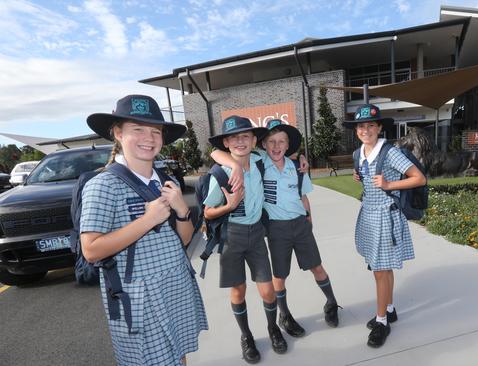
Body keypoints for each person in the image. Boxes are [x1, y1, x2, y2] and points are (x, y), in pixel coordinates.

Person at [80, 95, 208, 365]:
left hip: (175, 283)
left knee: (179, 354)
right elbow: (91, 250)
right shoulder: (103, 185)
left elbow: (182, 241)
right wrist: (148, 220)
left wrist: (182, 211)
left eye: (155, 131)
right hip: (138, 295)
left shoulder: (166, 181)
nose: (148, 138)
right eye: (137, 129)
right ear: (117, 133)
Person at [215, 119, 340, 338]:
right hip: (276, 229)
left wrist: (309, 221)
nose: (276, 146)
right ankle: (284, 315)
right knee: (279, 276)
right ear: (262, 144)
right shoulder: (259, 161)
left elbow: (303, 197)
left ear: (288, 144)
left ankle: (331, 302)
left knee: (317, 267)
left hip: (301, 225)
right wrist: (234, 165)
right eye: (271, 141)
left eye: (281, 141)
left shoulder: (297, 167)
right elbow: (216, 154)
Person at [203, 116, 288, 364]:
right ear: (227, 143)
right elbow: (208, 211)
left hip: (256, 233)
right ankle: (246, 336)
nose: (240, 141)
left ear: (253, 140)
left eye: (245, 136)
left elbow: (283, 153)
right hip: (233, 236)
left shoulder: (261, 161)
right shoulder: (220, 174)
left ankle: (273, 328)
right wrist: (228, 206)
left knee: (268, 290)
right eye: (234, 137)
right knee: (238, 291)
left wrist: (300, 160)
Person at [344, 104, 426, 348]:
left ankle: (382, 322)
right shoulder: (359, 153)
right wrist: (359, 174)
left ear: (379, 127)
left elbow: (419, 178)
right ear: (356, 130)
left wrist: (389, 185)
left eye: (371, 125)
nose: (365, 130)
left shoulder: (389, 152)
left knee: (380, 270)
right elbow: (364, 175)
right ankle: (389, 309)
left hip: (385, 216)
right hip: (369, 214)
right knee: (382, 268)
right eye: (361, 126)